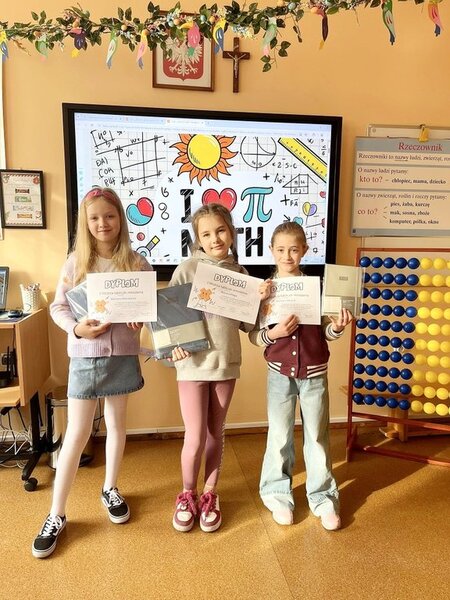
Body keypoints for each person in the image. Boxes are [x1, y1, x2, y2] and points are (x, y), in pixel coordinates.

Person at [32, 187, 152, 558]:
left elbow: (147, 310)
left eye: (110, 216)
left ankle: (110, 488)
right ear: (85, 222)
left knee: (117, 424)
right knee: (77, 433)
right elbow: (59, 308)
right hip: (85, 357)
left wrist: (140, 319)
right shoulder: (75, 263)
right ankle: (56, 513)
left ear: (121, 219)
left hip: (123, 357)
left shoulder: (137, 263)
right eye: (95, 217)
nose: (103, 223)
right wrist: (77, 329)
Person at [168, 203, 269, 533]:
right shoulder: (187, 270)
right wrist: (172, 348)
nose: (215, 239)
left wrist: (262, 300)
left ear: (232, 232)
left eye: (221, 230)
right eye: (207, 234)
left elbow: (249, 325)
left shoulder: (241, 275)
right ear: (197, 239)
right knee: (195, 435)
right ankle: (187, 494)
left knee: (215, 432)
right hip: (192, 366)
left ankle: (210, 493)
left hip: (225, 364)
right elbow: (170, 318)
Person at [249, 221, 352, 530]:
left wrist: (337, 327)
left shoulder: (317, 288)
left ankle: (323, 498)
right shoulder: (264, 291)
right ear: (271, 251)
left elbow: (326, 332)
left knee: (317, 437)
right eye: (281, 250)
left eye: (294, 250)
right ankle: (276, 495)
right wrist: (274, 333)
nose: (287, 256)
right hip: (279, 375)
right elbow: (254, 336)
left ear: (304, 250)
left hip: (314, 374)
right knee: (279, 435)